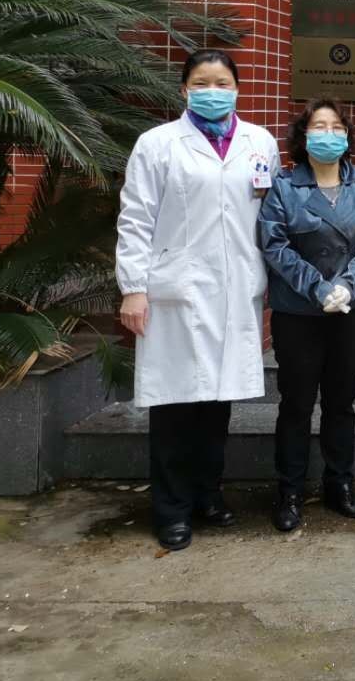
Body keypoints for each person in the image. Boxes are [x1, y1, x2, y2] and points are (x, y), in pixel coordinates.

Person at [115, 49, 280, 552]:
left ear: (237, 89)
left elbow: (269, 216)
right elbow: (135, 218)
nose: (213, 92)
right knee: (174, 404)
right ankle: (171, 509)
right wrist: (133, 288)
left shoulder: (260, 142)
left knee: (217, 402)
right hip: (176, 289)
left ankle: (209, 494)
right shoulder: (158, 144)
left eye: (222, 83)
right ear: (184, 89)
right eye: (202, 83)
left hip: (236, 288)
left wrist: (271, 282)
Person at [257, 99, 355, 532]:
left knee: (341, 401)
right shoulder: (284, 187)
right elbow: (274, 245)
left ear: (347, 137)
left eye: (336, 127)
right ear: (304, 135)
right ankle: (289, 490)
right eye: (319, 126)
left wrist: (347, 284)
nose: (328, 134)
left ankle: (339, 483)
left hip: (350, 310)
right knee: (296, 403)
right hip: (297, 312)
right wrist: (317, 287)